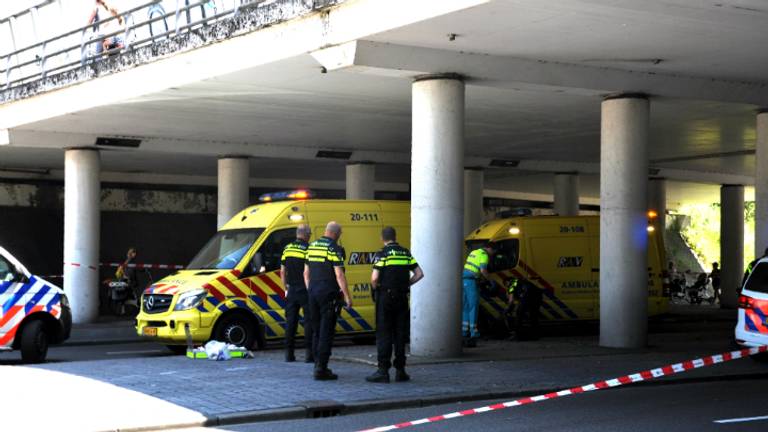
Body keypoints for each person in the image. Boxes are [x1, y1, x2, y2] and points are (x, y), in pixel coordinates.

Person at [366, 227, 424, 384]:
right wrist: (406, 285)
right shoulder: (405, 253)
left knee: (384, 333)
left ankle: (383, 371)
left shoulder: (382, 253)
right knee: (400, 334)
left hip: (385, 297)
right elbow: (419, 274)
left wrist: (376, 288)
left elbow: (374, 278)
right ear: (395, 236)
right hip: (402, 297)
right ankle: (401, 371)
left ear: (382, 238)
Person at [304, 221, 352, 380]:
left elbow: (306, 273)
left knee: (316, 330)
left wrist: (310, 289)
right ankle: (321, 368)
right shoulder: (333, 248)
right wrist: (346, 296)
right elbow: (339, 274)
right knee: (326, 331)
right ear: (336, 234)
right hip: (328, 294)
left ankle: (317, 363)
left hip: (312, 293)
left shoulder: (311, 246)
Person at [281, 224, 313, 363]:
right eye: (310, 234)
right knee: (309, 322)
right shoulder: (308, 249)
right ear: (305, 235)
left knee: (291, 322)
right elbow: (308, 272)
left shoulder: (287, 248)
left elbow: (282, 271)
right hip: (305, 290)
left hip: (291, 289)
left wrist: (286, 288)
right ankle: (309, 355)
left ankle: (289, 354)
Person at [461, 242, 497, 347]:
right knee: (473, 307)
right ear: (489, 248)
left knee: (466, 307)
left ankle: (464, 332)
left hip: (463, 280)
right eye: (493, 251)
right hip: (471, 281)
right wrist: (491, 281)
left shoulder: (474, 252)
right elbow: (483, 270)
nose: (493, 254)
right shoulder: (484, 255)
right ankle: (473, 332)